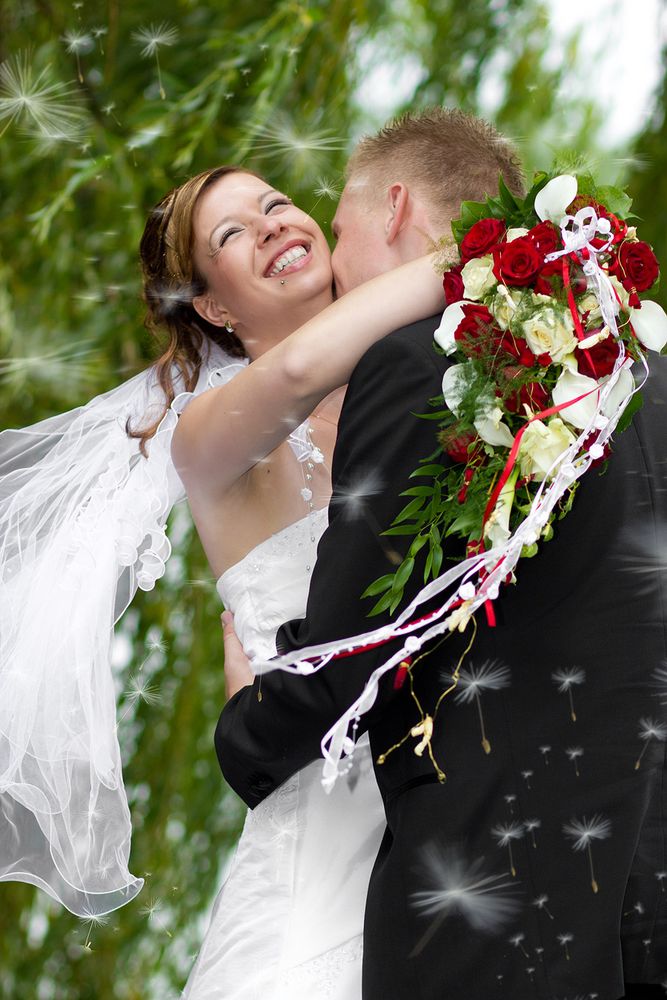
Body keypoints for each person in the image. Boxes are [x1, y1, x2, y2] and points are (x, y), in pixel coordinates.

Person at [215, 111, 667, 999]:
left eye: (336, 232)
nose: (336, 270)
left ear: (391, 211)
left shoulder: (419, 363)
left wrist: (246, 723)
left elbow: (364, 641)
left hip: (505, 907)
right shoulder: (643, 364)